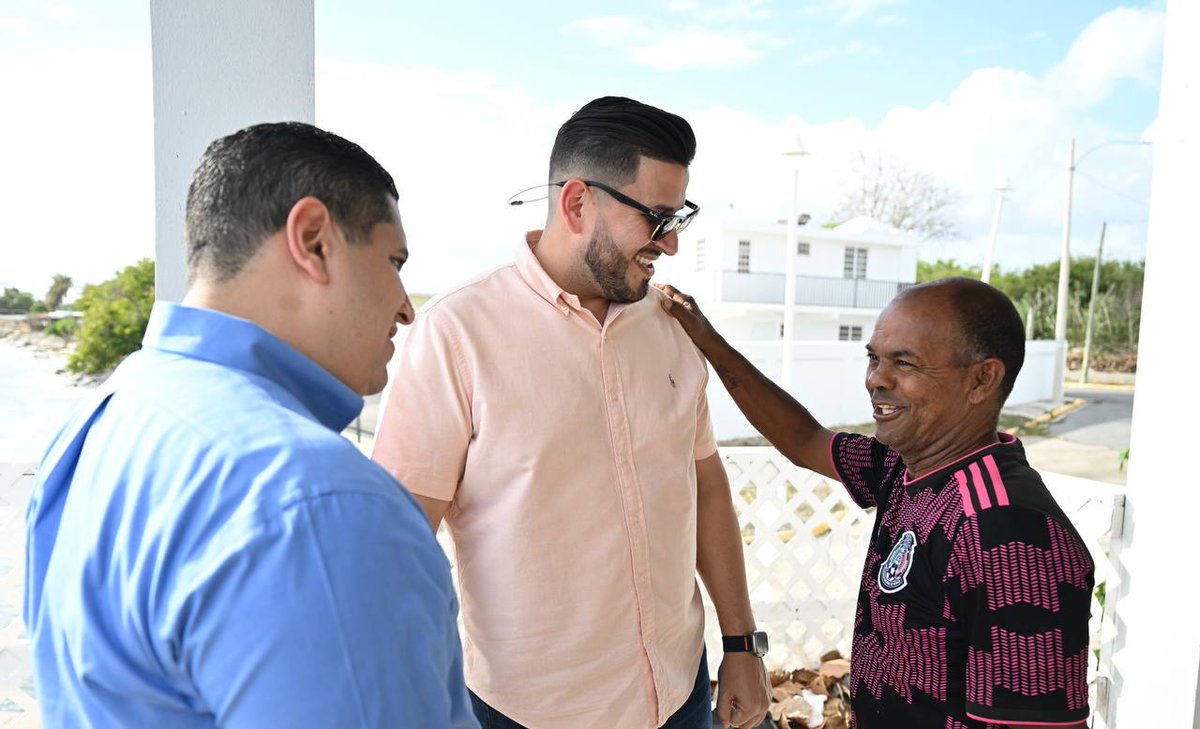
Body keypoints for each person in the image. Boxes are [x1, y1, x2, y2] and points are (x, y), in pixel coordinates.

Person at [23, 122, 477, 728]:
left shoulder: (109, 413)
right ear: (313, 240)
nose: (405, 305)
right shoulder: (319, 502)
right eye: (392, 261)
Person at [372, 96, 771, 729]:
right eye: (656, 217)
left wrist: (742, 644)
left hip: (679, 694)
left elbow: (703, 485)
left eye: (679, 217)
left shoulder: (670, 328)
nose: (669, 242)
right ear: (577, 203)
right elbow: (397, 541)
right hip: (527, 711)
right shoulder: (456, 334)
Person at [655, 277, 1093, 729]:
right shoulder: (903, 467)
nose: (875, 380)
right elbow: (804, 438)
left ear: (982, 379)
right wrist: (707, 338)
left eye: (904, 364)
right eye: (874, 358)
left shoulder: (1007, 532)